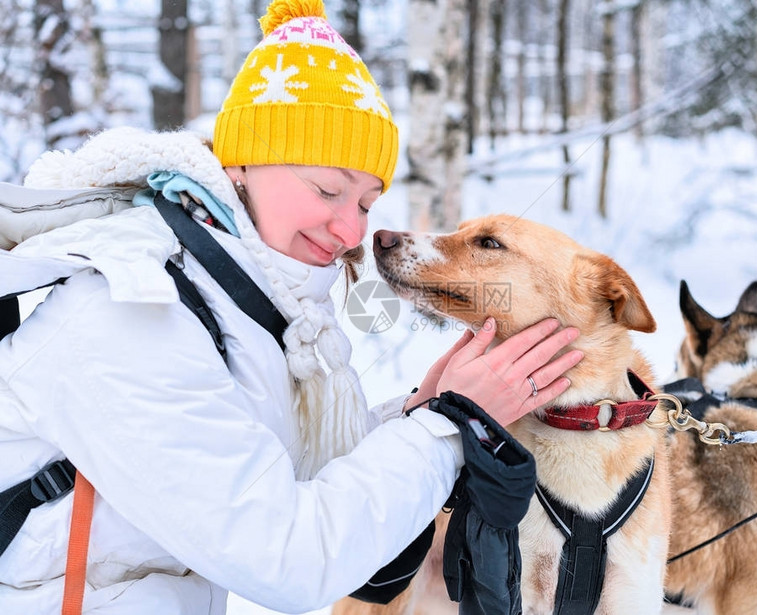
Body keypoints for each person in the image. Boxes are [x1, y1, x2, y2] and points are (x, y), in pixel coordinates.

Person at [0, 0, 583, 613]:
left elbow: (298, 479)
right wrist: (445, 428)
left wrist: (419, 413)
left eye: (364, 202)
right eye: (328, 189)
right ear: (243, 162)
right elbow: (287, 558)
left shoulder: (250, 307)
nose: (351, 230)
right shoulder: (131, 311)